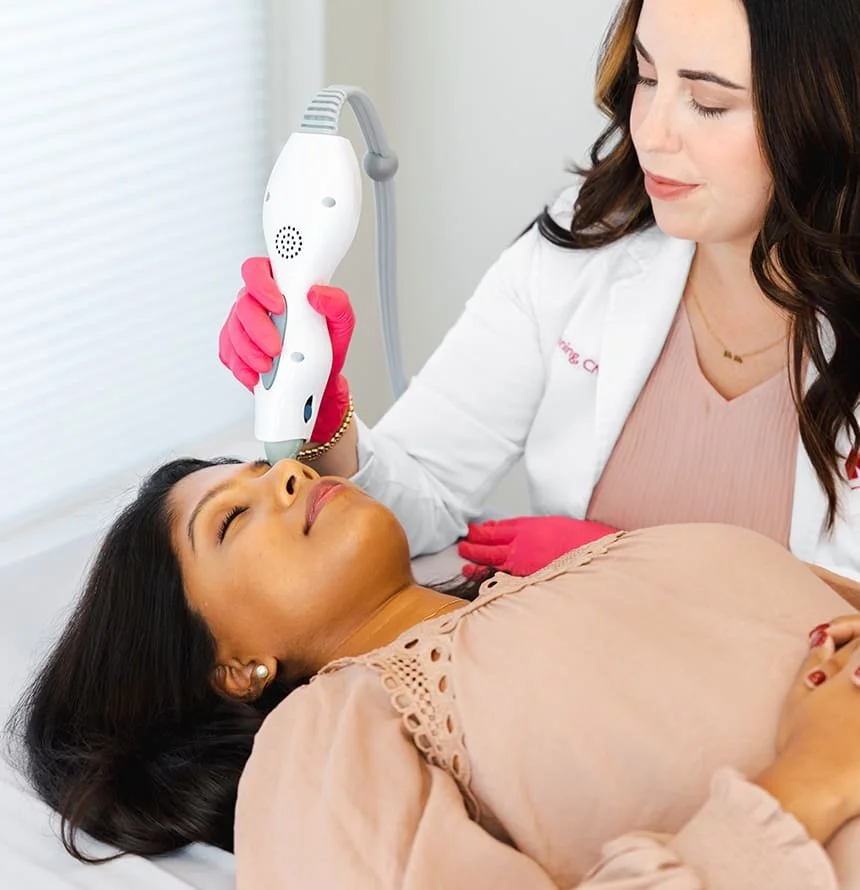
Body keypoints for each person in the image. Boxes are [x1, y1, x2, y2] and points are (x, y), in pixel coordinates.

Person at [218, 0, 860, 580]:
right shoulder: (586, 245)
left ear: (827, 105)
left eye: (709, 102)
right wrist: (326, 416)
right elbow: (424, 495)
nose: (650, 133)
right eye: (647, 76)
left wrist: (623, 568)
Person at [10, 455, 860, 888]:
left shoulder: (598, 563)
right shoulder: (325, 741)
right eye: (231, 521)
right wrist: (806, 785)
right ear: (235, 667)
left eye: (273, 468)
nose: (292, 474)